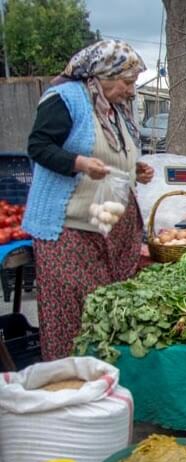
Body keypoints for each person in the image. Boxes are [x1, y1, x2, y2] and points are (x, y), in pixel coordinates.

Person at [22, 40, 154, 361]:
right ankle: (67, 389)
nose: (131, 91)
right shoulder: (67, 99)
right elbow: (39, 146)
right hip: (68, 233)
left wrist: (134, 169)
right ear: (102, 75)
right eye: (127, 82)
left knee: (104, 316)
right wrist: (78, 164)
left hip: (105, 229)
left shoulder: (115, 110)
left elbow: (109, 156)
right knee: (69, 319)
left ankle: (100, 384)